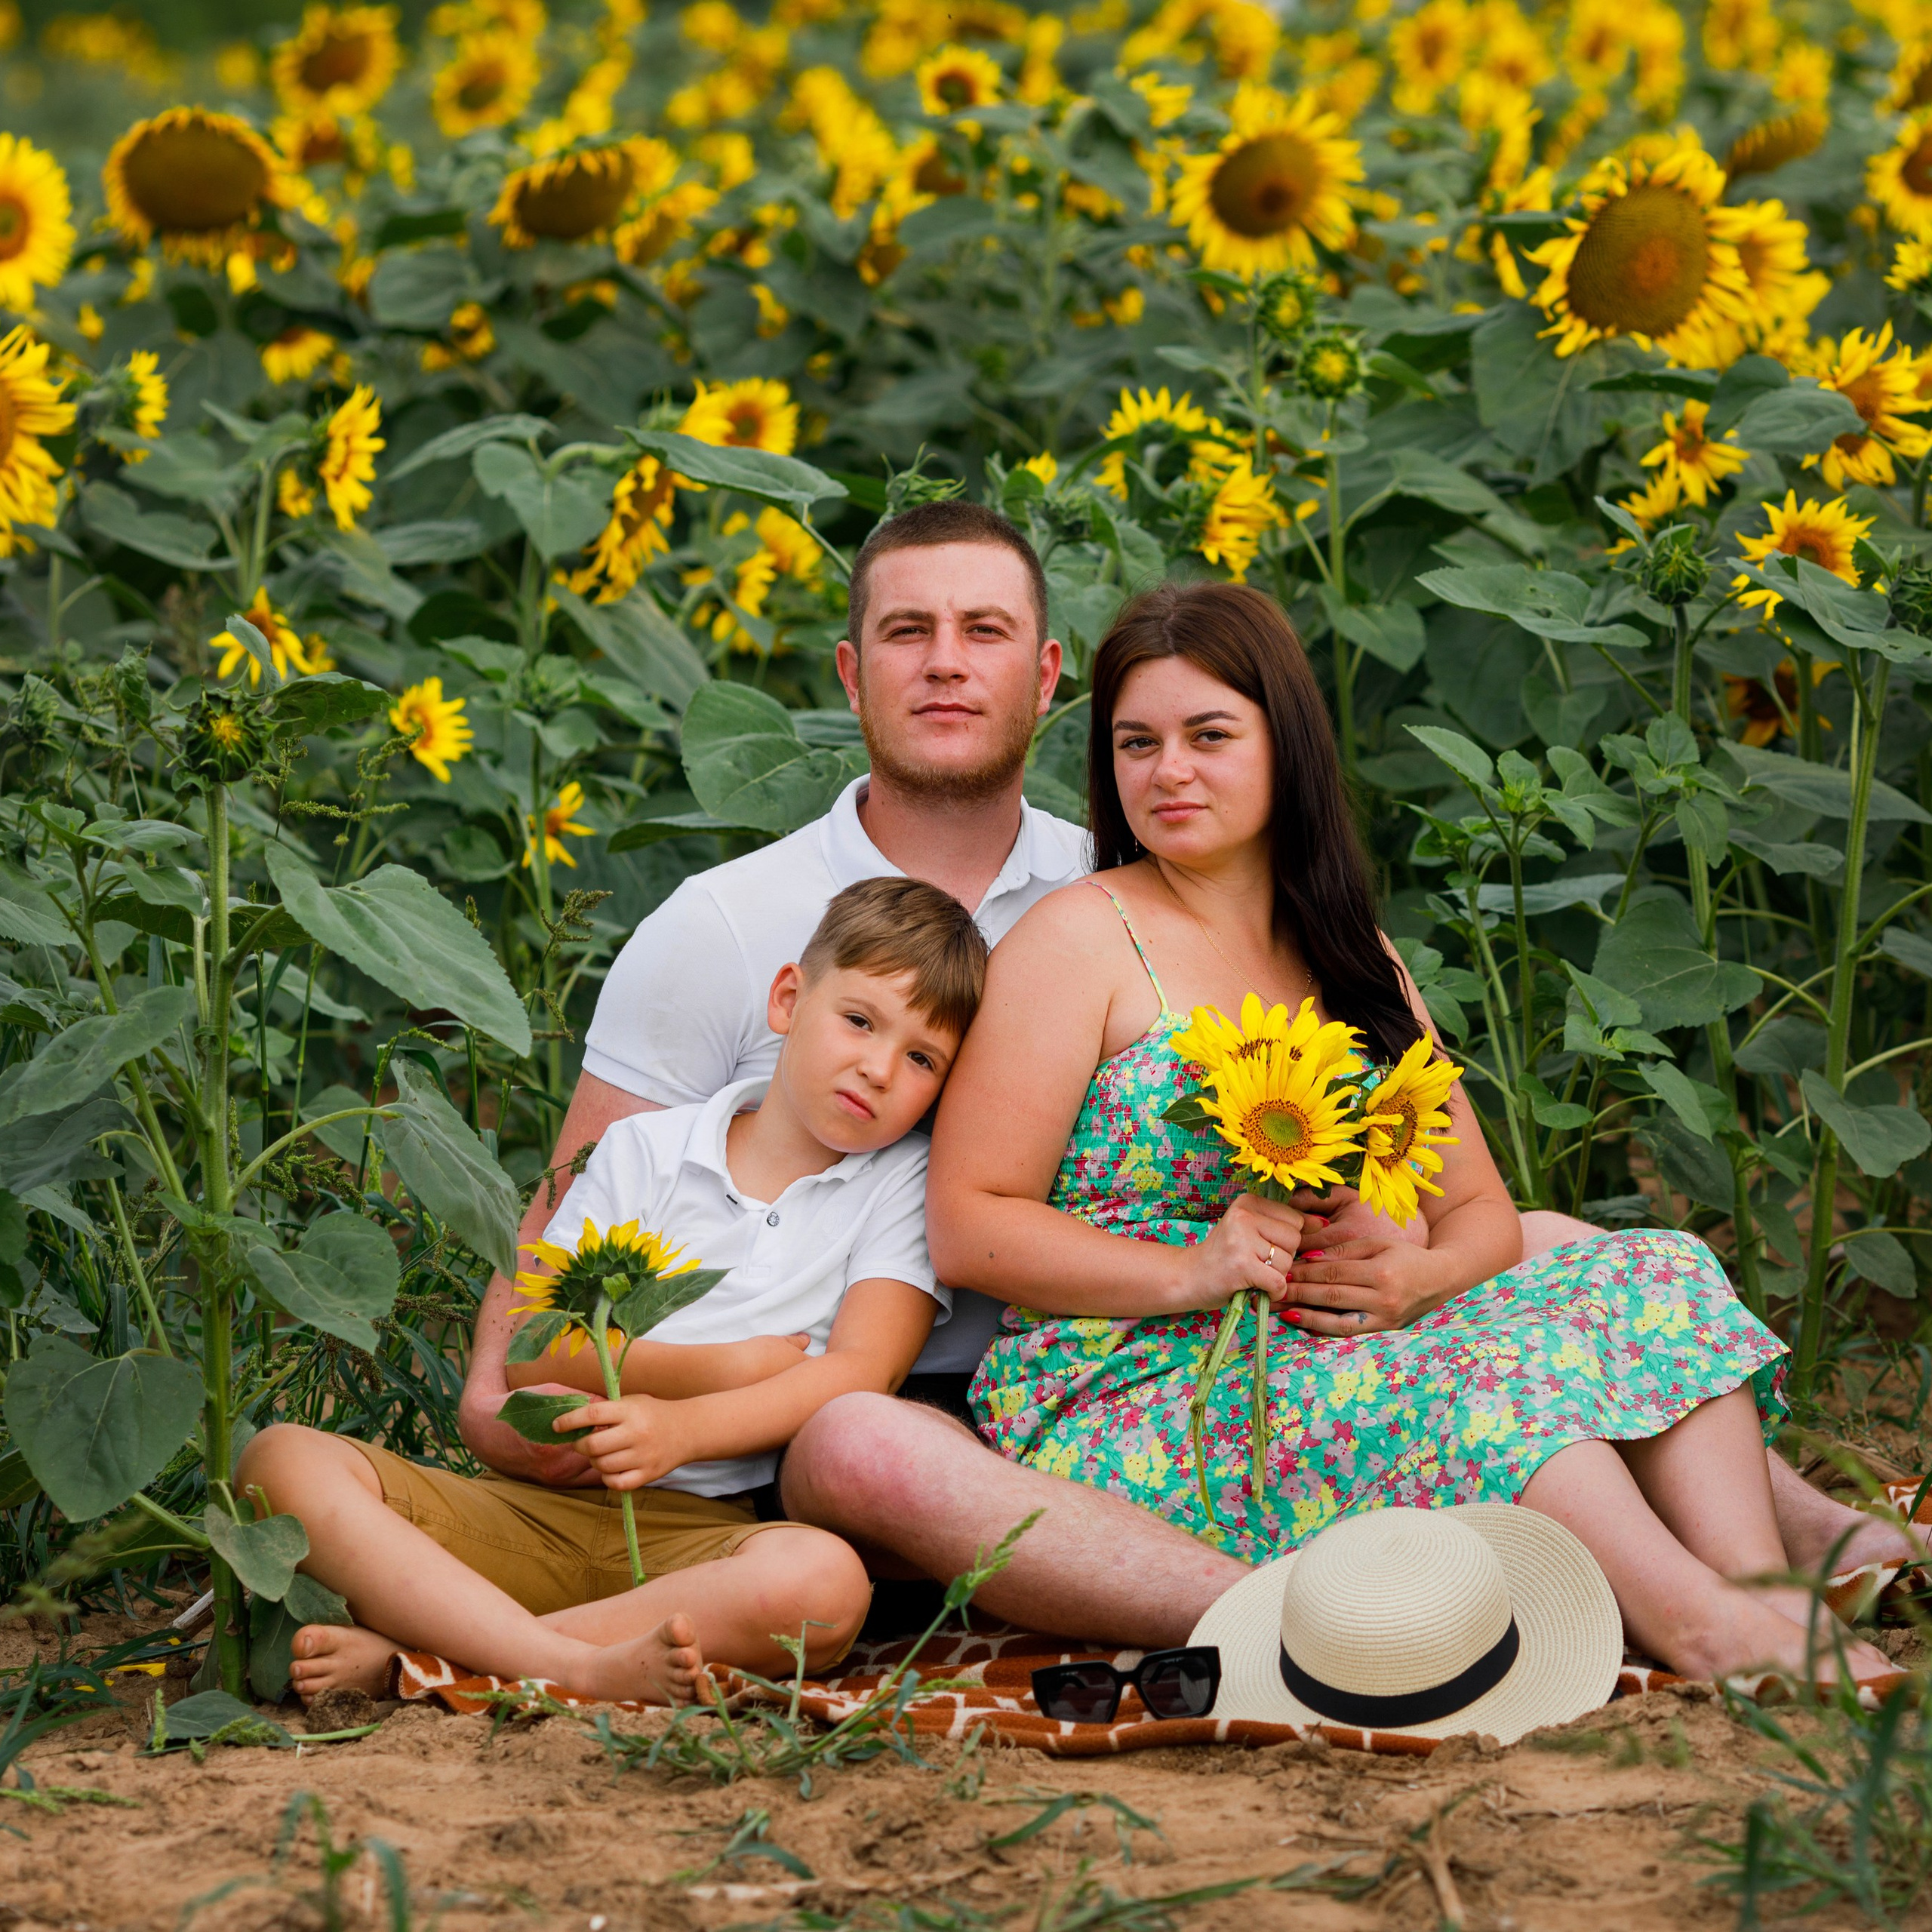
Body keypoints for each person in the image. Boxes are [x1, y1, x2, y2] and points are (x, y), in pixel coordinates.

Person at [460, 500, 1917, 1659]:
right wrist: (502, 1383)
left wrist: (1397, 1271)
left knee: (1584, 1252)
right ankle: (1431, 1619)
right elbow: (587, 1192)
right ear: (851, 673)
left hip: (1269, 1329)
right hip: (952, 1375)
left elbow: (1474, 1204)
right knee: (1488, 1338)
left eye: (984, 633)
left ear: (1042, 685)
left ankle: (1789, 1553)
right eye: (908, 632)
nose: (946, 663)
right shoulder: (760, 926)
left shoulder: (1213, 915)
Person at [921, 579, 1900, 1689]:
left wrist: (1417, 1273)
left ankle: (1757, 1587)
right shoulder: (1081, 938)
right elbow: (968, 1225)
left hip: (1321, 1339)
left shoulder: (1353, 956)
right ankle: (1701, 1627)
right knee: (1481, 1373)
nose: (1168, 771)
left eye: (1208, 735)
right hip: (1142, 1384)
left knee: (1656, 1270)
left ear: (1284, 747)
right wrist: (1192, 1271)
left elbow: (1481, 1211)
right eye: (1136, 743)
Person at [242, 877, 986, 1704]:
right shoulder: (647, 1149)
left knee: (823, 1586)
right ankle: (573, 1665)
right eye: (859, 1019)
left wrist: (681, 1431)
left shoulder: (901, 1185)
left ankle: (424, 1657)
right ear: (787, 999)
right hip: (525, 1511)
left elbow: (859, 1372)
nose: (878, 1067)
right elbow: (532, 1356)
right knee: (280, 1459)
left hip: (696, 1545)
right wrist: (729, 1367)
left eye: (922, 1058)